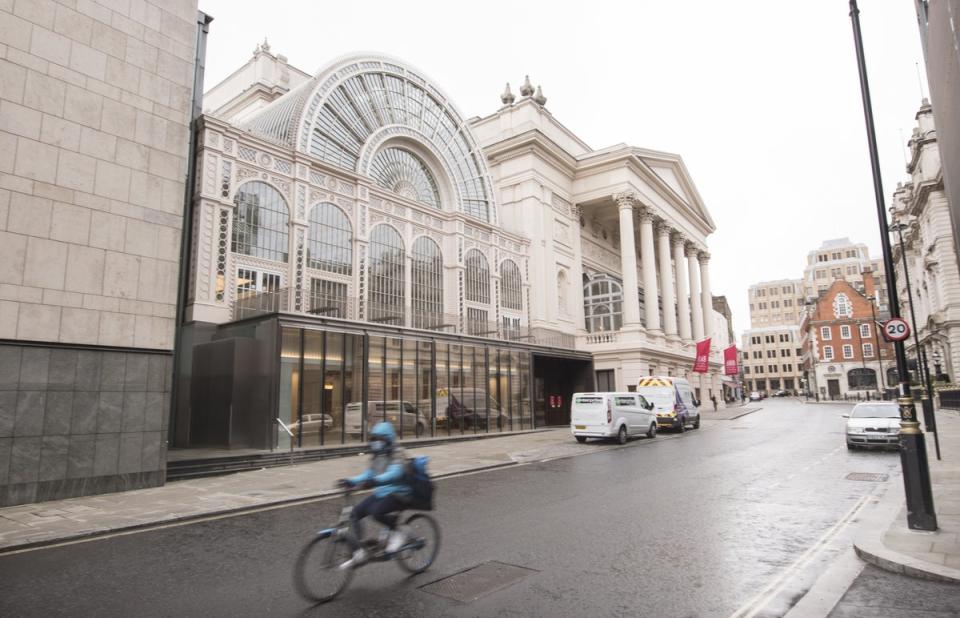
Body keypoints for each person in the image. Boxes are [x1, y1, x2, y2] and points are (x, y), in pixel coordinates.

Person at [337, 421, 411, 568]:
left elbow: (394, 474)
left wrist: (375, 481)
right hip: (382, 492)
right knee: (355, 513)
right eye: (375, 439)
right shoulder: (378, 455)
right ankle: (358, 552)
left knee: (376, 512)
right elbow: (368, 474)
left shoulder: (398, 452)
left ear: (388, 439)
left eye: (380, 439)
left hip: (400, 493)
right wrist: (350, 481)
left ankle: (400, 532)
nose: (376, 443)